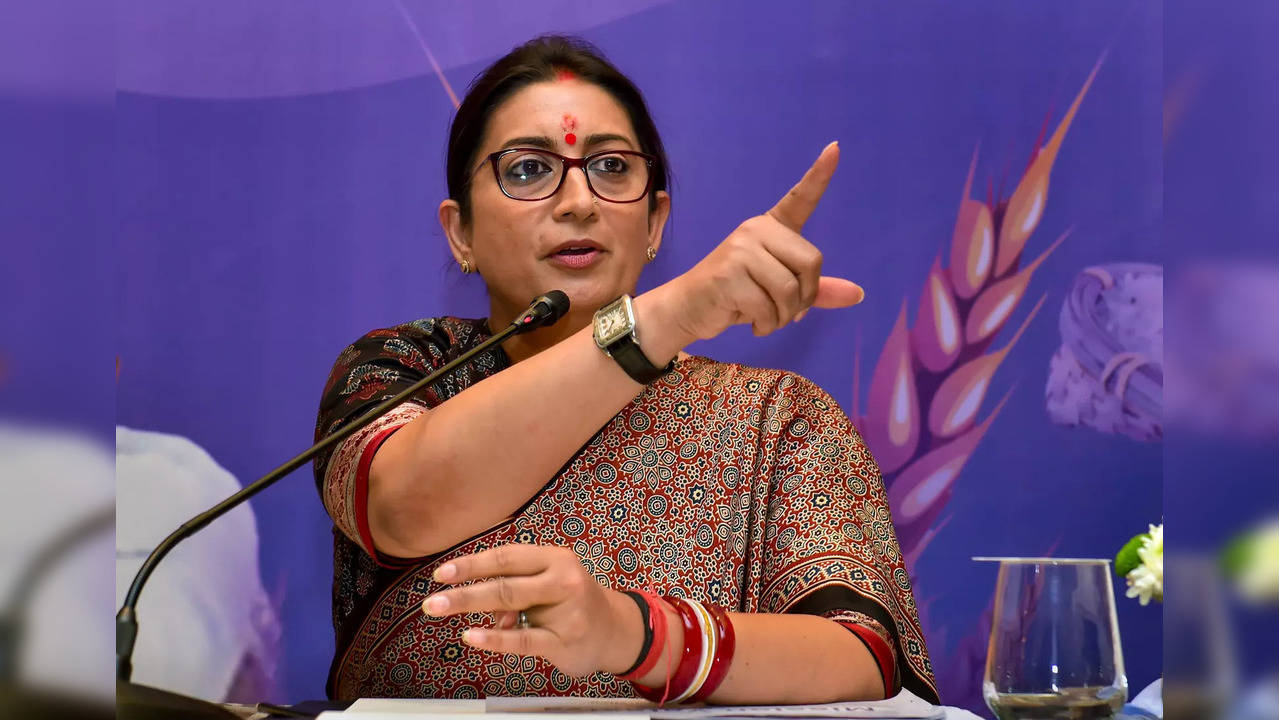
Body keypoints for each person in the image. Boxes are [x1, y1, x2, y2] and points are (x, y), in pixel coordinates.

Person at [314, 35, 939, 705]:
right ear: (459, 231)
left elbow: (864, 660)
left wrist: (632, 634)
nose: (579, 200)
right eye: (527, 170)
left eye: (611, 167)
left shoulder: (776, 416)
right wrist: (663, 318)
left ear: (654, 222)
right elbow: (402, 507)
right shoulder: (403, 369)